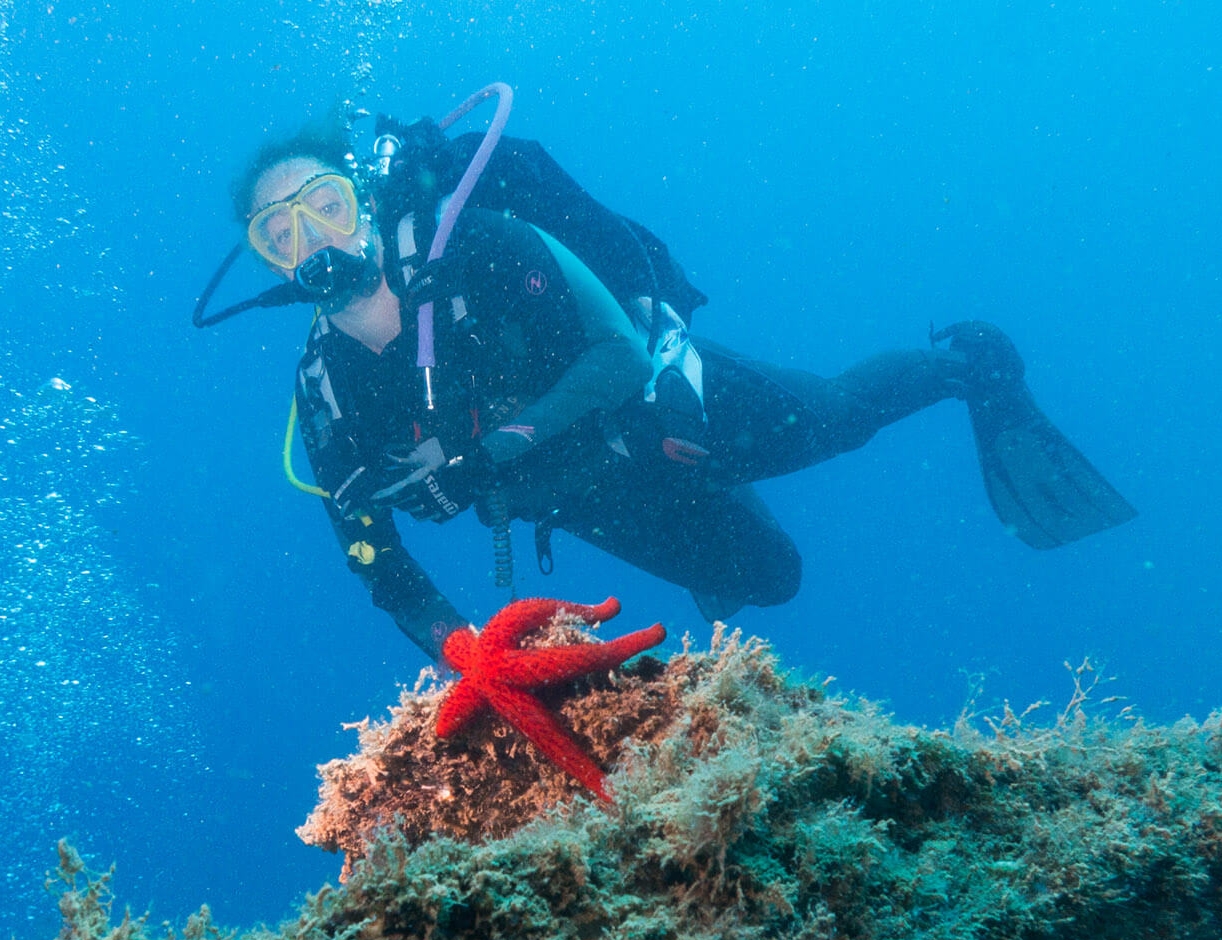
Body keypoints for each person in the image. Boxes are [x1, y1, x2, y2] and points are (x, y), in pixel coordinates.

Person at [217, 92, 1135, 662]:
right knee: (774, 578)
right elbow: (375, 558)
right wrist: (466, 656)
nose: (312, 239)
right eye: (279, 233)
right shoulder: (327, 391)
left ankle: (973, 365)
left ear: (364, 200)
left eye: (325, 204)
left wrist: (493, 450)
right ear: (265, 263)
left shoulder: (478, 250)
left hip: (662, 399)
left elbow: (614, 351)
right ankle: (738, 509)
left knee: (844, 417)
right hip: (590, 492)